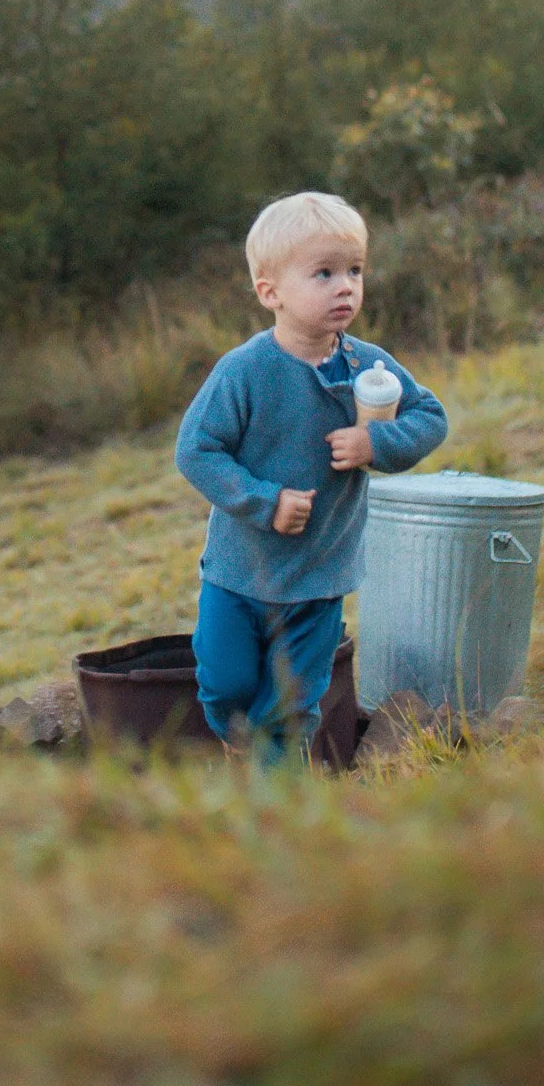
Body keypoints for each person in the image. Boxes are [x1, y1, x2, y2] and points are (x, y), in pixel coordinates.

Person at [174, 189, 447, 761]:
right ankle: (238, 745)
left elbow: (430, 417)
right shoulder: (245, 372)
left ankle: (284, 807)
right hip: (238, 573)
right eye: (323, 273)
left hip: (320, 576)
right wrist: (263, 500)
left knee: (291, 707)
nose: (345, 285)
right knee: (225, 685)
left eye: (354, 270)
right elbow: (196, 450)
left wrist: (377, 440)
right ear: (270, 292)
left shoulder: (367, 366)